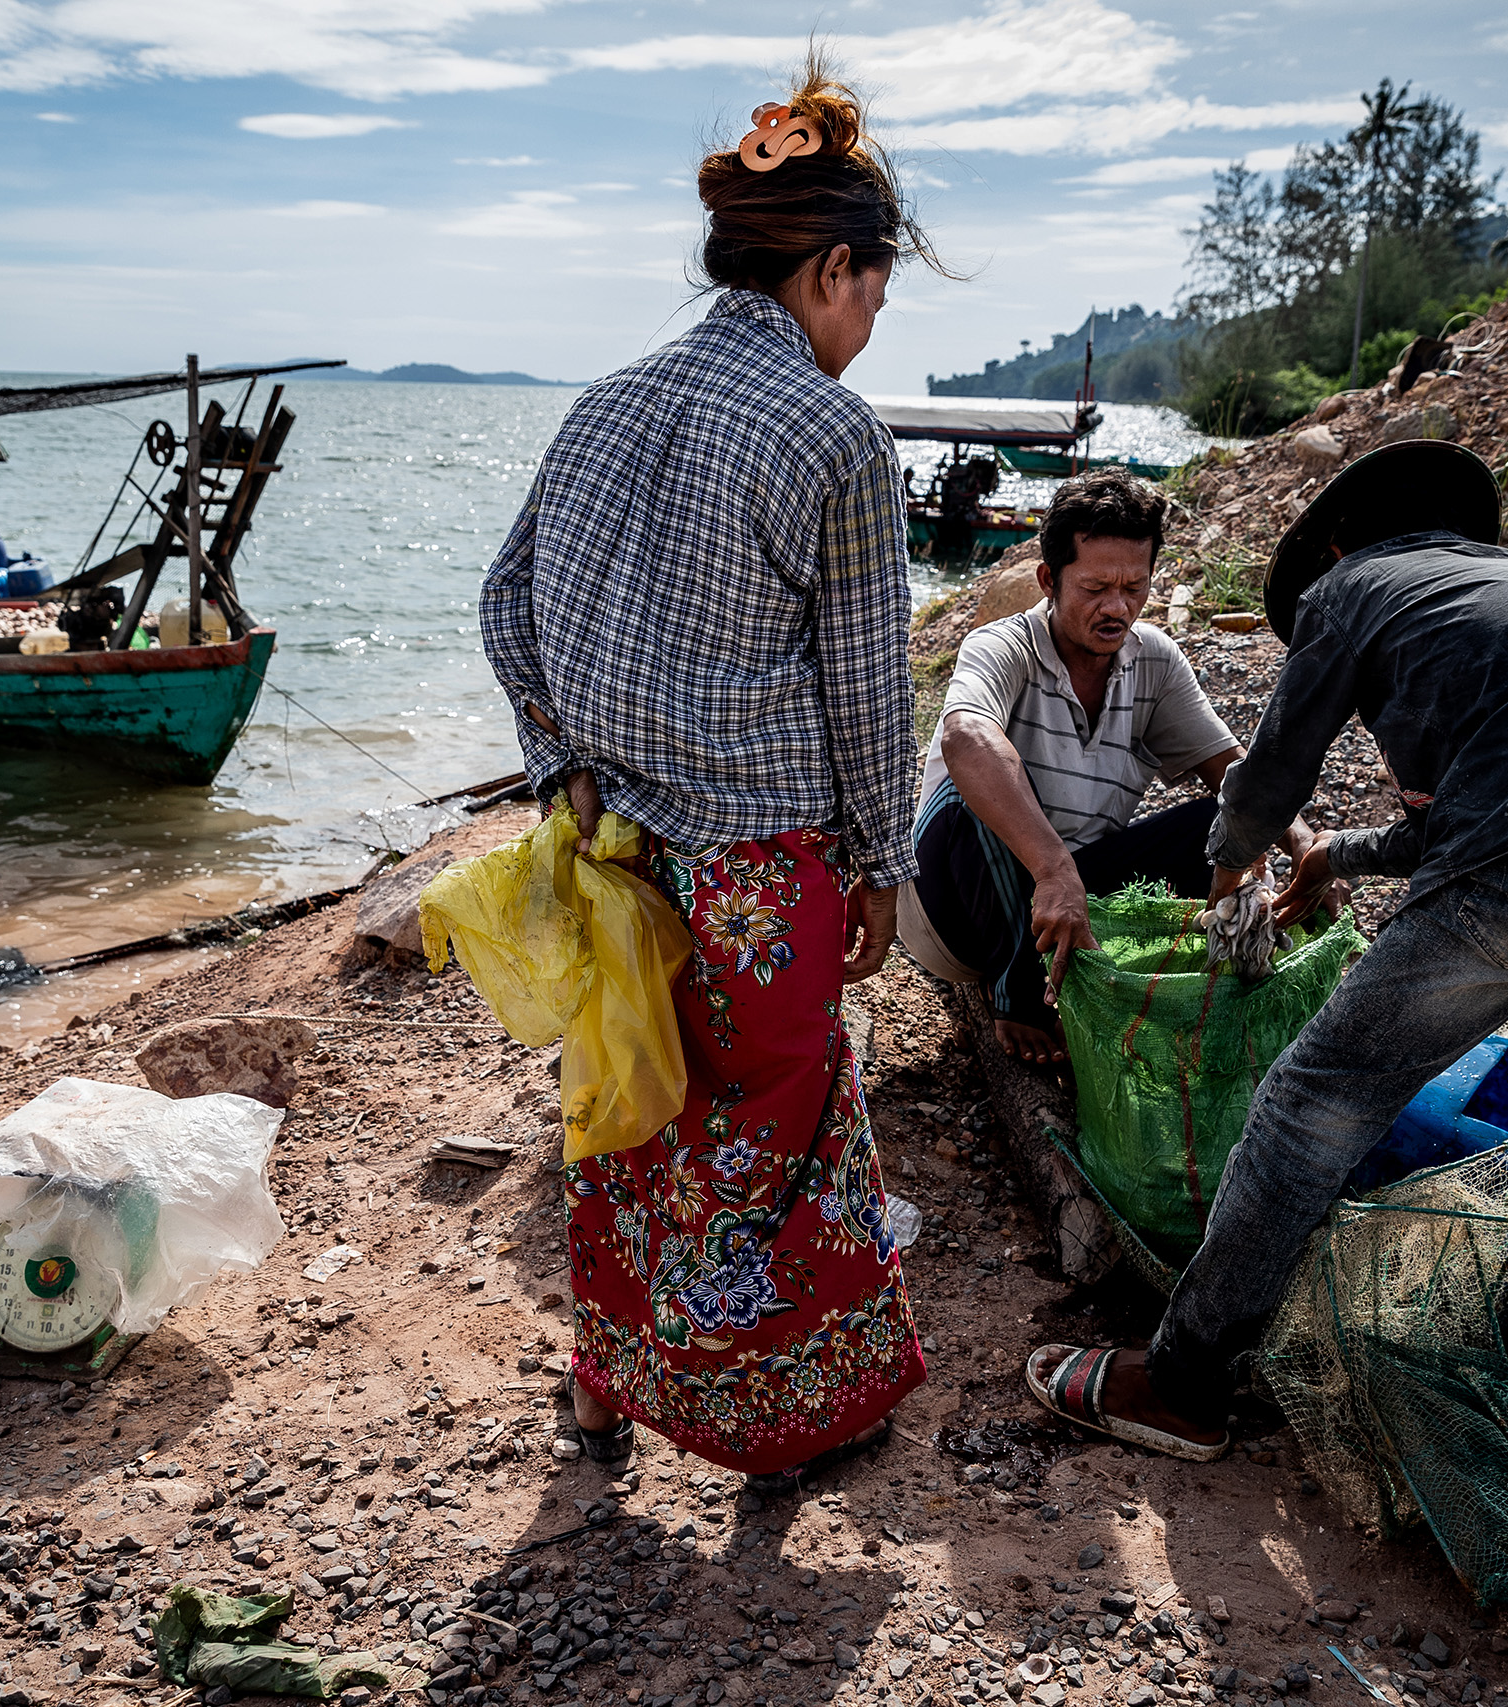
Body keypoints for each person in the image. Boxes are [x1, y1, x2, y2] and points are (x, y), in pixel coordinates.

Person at [1025, 440, 1508, 1458]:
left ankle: (1183, 1382)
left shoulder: (1355, 587)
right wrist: (1337, 853)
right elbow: (1481, 812)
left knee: (1313, 1098)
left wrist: (1228, 877)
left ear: (1337, 547)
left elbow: (1264, 779)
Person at [479, 62, 949, 1493]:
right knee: (776, 1142)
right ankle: (775, 1418)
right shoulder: (835, 433)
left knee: (629, 1120)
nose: (872, 321)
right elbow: (869, 690)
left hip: (617, 851)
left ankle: (602, 1388)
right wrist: (880, 862)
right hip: (760, 870)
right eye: (874, 288)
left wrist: (564, 766)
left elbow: (505, 604)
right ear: (827, 268)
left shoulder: (605, 401)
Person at [901, 467, 1332, 1062]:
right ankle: (1016, 998)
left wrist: (1307, 847)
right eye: (1096, 588)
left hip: (1072, 897)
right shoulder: (1004, 646)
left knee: (1223, 819)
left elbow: (1233, 767)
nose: (1117, 607)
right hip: (954, 909)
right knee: (967, 789)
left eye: (1134, 588)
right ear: (1049, 579)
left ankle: (1181, 984)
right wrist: (1053, 868)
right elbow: (966, 734)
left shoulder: (1152, 659)